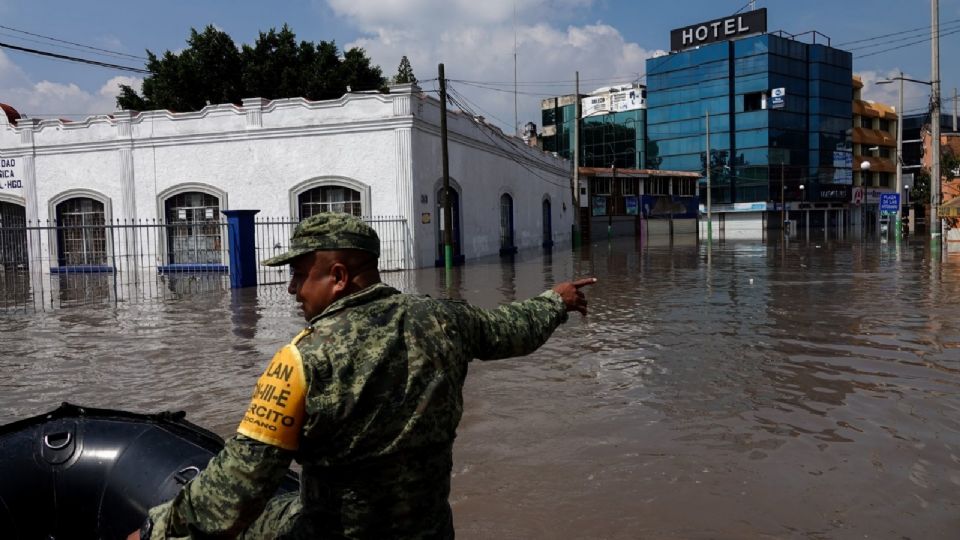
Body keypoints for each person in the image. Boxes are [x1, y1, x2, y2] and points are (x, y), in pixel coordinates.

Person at [130, 212, 596, 540]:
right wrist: (556, 300)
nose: (291, 288)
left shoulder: (302, 359)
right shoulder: (445, 320)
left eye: (298, 274)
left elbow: (234, 491)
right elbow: (512, 330)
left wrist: (157, 528)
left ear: (337, 276)